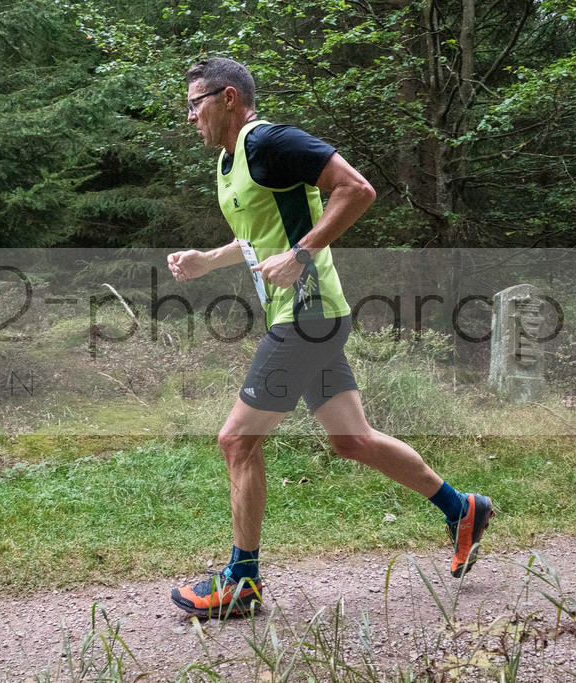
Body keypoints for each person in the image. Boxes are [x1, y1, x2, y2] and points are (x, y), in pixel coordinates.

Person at [167, 57, 493, 618]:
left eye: (194, 103)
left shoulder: (268, 141)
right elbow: (254, 237)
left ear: (227, 99)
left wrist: (303, 253)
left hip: (307, 315)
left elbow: (356, 190)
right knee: (354, 440)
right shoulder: (230, 164)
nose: (189, 116)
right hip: (303, 316)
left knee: (236, 442)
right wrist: (206, 261)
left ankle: (242, 580)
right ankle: (461, 507)